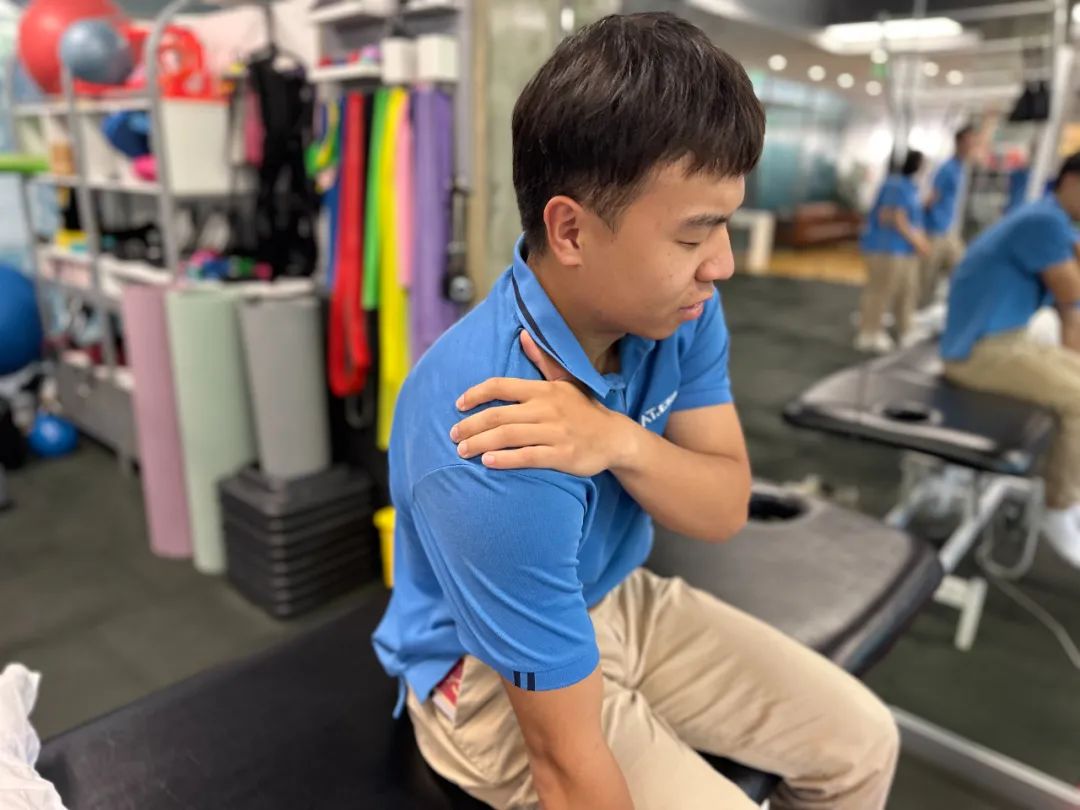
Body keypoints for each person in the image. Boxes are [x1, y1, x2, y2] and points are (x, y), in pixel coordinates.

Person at [372, 13, 899, 810]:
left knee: (863, 744)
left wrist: (618, 440)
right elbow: (565, 767)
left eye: (724, 225)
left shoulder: (680, 310)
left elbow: (723, 507)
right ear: (571, 231)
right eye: (694, 236)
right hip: (485, 675)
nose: (722, 264)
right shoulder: (491, 435)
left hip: (614, 596)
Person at [941, 151, 1080, 569]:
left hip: (1008, 339)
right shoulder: (1043, 221)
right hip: (979, 351)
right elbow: (1071, 297)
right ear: (1071, 182)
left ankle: (1068, 482)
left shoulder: (1052, 218)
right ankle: (1059, 507)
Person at [855, 149, 931, 353]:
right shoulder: (895, 185)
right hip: (885, 248)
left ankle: (906, 329)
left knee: (907, 290)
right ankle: (869, 333)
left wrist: (918, 240)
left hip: (905, 250)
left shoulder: (912, 188)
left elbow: (913, 219)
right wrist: (918, 241)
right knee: (880, 290)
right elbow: (891, 217)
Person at [918, 125, 977, 306]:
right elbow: (932, 198)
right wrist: (918, 227)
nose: (972, 145)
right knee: (925, 278)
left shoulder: (961, 168)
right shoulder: (947, 169)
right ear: (959, 143)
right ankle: (913, 311)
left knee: (963, 267)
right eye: (969, 141)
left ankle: (947, 306)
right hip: (935, 230)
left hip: (949, 230)